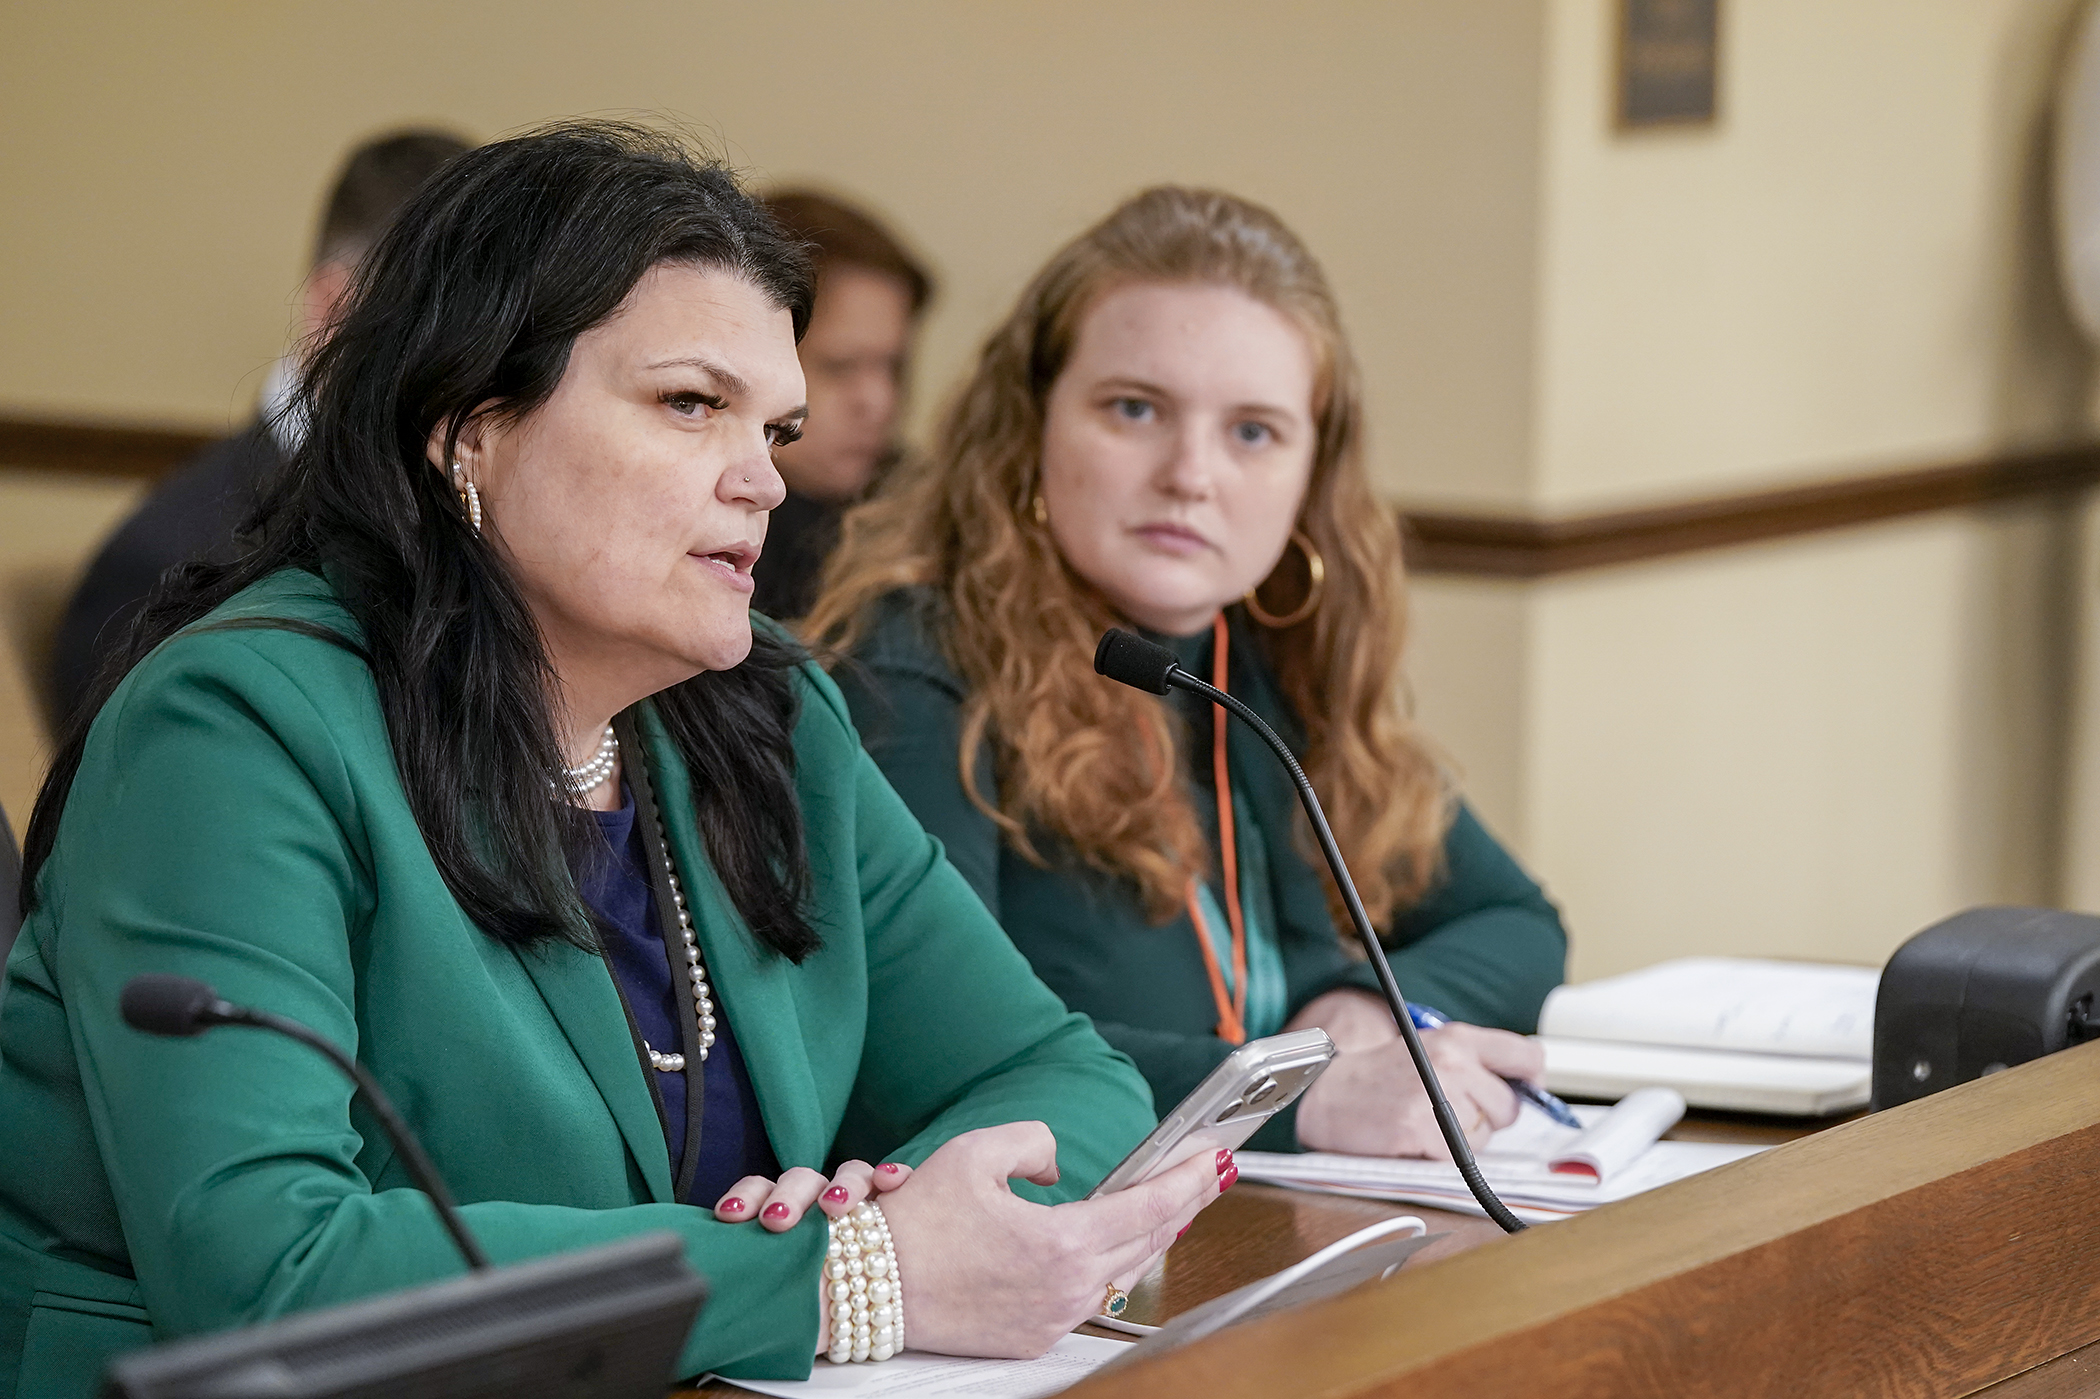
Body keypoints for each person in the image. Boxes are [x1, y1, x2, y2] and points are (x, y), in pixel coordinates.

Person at [0, 125, 1226, 1398]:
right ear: (465, 428)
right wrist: (849, 1271)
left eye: (776, 428)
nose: (762, 481)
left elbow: (1064, 1077)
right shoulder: (235, 729)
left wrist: (919, 1214)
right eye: (692, 404)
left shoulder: (768, 716)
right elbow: (268, 1272)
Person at [806, 187, 1568, 1160]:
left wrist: (1363, 1008)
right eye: (1135, 409)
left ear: (1312, 474)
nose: (1191, 474)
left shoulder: (1272, 652)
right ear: (1031, 426)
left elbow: (1517, 920)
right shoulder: (916, 661)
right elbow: (935, 1055)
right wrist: (1301, 1095)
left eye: (1253, 431)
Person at [48, 128, 472, 725]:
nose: (475, 362)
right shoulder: (163, 561)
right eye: (442, 317)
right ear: (336, 307)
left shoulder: (470, 523)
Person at [750, 190, 932, 620]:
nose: (879, 402)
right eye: (841, 367)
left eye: (893, 367)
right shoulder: (699, 530)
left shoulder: (930, 515)